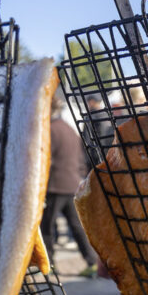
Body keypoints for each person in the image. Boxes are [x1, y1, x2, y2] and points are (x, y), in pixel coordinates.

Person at [41, 92, 98, 277]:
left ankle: (49, 264)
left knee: (47, 227)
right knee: (77, 227)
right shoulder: (68, 129)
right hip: (72, 184)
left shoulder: (50, 130)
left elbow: (44, 159)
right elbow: (81, 157)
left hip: (55, 185)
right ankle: (91, 262)